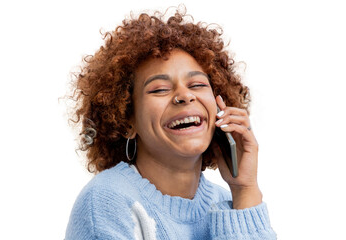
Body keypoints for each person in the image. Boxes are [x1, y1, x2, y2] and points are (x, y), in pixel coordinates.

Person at [65, 7, 277, 240]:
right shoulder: (107, 201)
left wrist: (245, 190)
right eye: (160, 89)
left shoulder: (228, 202)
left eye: (197, 85)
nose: (184, 96)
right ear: (126, 121)